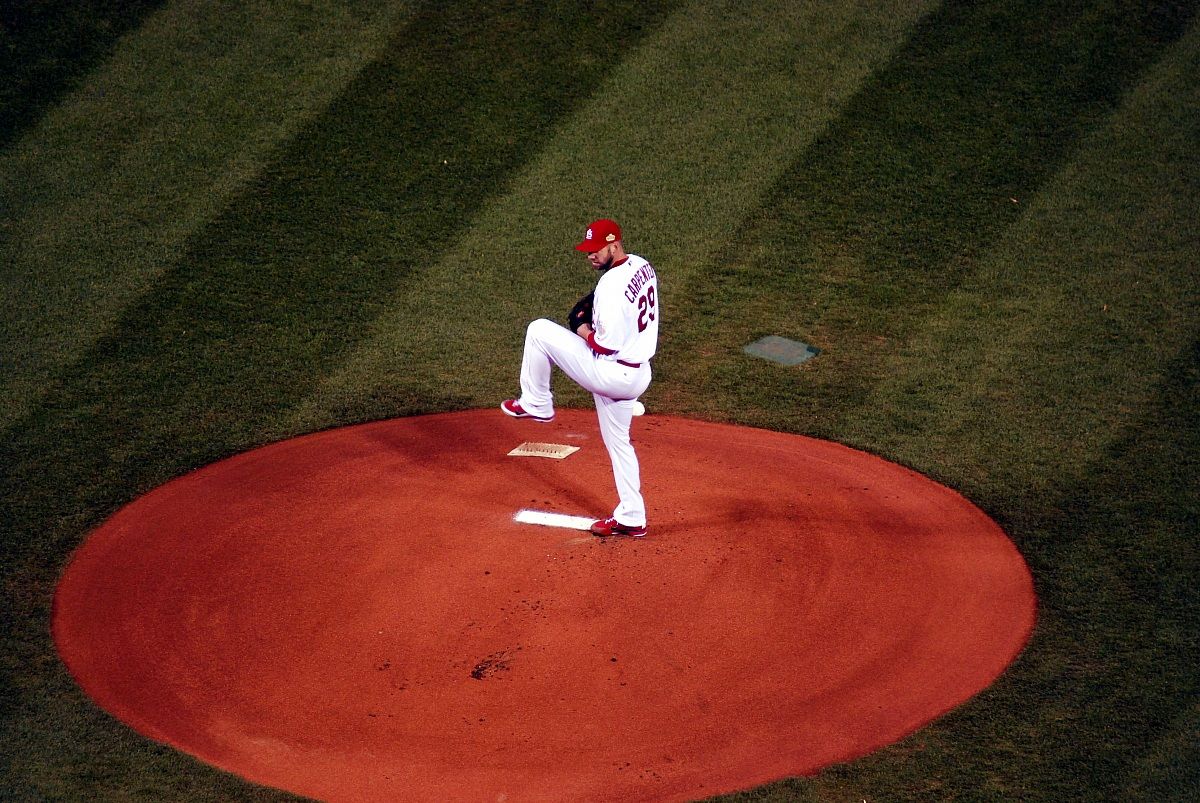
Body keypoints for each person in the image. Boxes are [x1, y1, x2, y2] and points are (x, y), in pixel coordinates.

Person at [501, 218, 659, 538]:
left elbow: (603, 344)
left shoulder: (611, 289)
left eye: (595, 249)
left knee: (539, 331)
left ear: (613, 244)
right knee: (619, 444)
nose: (589, 255)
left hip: (611, 372)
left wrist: (581, 327)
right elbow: (618, 293)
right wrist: (594, 302)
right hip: (639, 373)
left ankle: (537, 402)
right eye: (586, 249)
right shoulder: (643, 265)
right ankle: (632, 516)